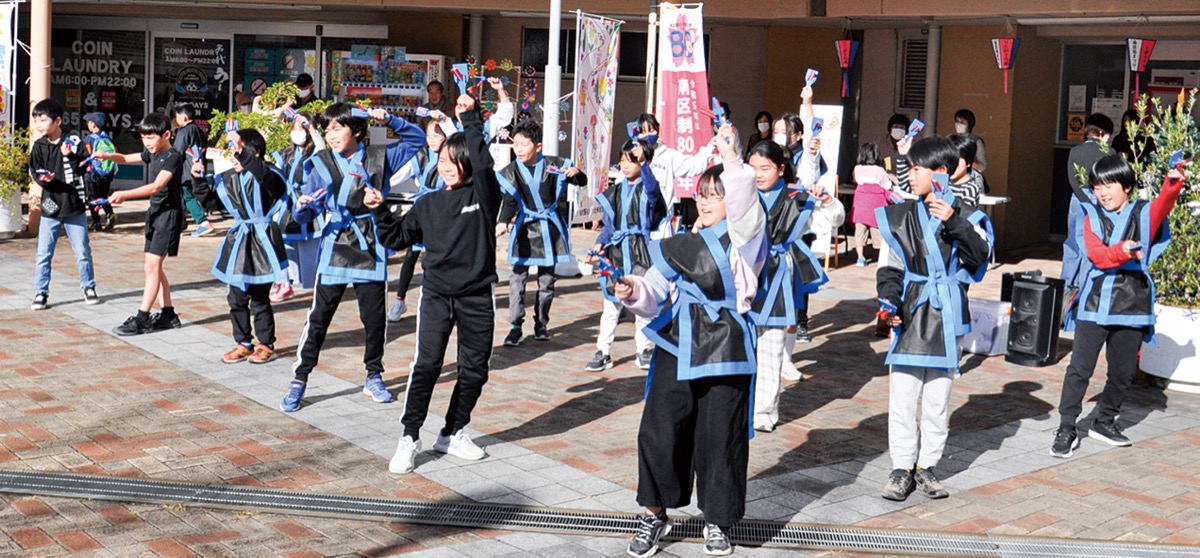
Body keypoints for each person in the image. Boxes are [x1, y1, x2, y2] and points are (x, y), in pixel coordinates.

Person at [613, 124, 765, 558]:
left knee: (720, 437)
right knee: (659, 431)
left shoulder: (748, 239)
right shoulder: (680, 241)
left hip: (727, 349)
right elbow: (654, 291)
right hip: (676, 343)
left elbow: (743, 198)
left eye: (716, 194)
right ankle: (653, 513)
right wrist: (631, 291)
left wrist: (732, 157)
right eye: (702, 193)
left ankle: (716, 522)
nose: (706, 199)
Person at [369, 94, 502, 473]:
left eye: (452, 162)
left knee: (475, 370)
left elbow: (483, 161)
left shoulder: (483, 195)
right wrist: (379, 209)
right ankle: (409, 437)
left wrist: (470, 118)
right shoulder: (427, 204)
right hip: (437, 295)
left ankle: (453, 431)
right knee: (426, 365)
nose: (445, 168)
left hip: (477, 295)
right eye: (441, 161)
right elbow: (396, 239)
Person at [278, 103, 426, 413]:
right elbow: (309, 210)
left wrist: (392, 120)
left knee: (374, 320)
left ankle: (373, 374)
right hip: (335, 242)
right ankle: (300, 378)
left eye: (338, 128)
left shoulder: (379, 156)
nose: (331, 135)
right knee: (319, 318)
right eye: (328, 128)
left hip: (370, 242)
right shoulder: (319, 162)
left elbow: (416, 140)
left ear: (356, 130)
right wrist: (304, 207)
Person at [875, 136, 992, 502]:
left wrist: (954, 221)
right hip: (911, 309)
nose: (910, 175)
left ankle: (927, 466)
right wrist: (888, 305)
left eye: (916, 168)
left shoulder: (970, 215)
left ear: (940, 173)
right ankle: (901, 467)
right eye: (908, 168)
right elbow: (891, 268)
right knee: (904, 394)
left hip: (948, 311)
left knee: (938, 398)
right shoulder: (900, 216)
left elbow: (980, 259)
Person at [1051, 155, 1184, 458]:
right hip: (1095, 301)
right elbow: (1098, 256)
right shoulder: (1090, 216)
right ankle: (1067, 426)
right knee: (1079, 370)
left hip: (1133, 302)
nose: (1103, 192)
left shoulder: (1144, 213)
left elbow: (1165, 202)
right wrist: (1122, 251)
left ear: (1127, 186)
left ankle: (1104, 421)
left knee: (1123, 373)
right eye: (1097, 186)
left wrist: (1173, 180)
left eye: (1109, 185)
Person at [745, 140, 829, 433]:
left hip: (777, 276)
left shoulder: (797, 196)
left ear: (781, 169)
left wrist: (827, 201)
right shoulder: (741, 194)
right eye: (752, 167)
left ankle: (765, 411)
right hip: (743, 275)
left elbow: (833, 216)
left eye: (765, 168)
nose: (758, 174)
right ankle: (740, 405)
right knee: (743, 347)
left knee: (771, 347)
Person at [198, 129, 289, 365]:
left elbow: (264, 176)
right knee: (236, 296)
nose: (232, 158)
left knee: (259, 297)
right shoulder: (229, 177)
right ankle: (243, 343)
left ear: (254, 154)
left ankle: (266, 344)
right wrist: (198, 179)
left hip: (262, 239)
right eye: (232, 153)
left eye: (237, 153)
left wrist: (243, 152)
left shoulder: (271, 175)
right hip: (240, 239)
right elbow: (211, 202)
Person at [495, 119, 587, 346]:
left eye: (524, 145)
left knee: (546, 281)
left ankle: (541, 323)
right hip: (525, 228)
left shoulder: (554, 165)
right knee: (517, 279)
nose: (518, 149)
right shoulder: (511, 171)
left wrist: (576, 173)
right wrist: (502, 222)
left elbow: (580, 181)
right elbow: (509, 201)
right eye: (515, 144)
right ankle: (515, 325)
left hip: (549, 229)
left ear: (537, 146)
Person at [94, 112, 187, 335]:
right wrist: (107, 156)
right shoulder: (152, 153)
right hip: (155, 213)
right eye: (144, 138)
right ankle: (168, 314)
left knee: (152, 267)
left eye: (151, 138)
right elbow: (126, 158)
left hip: (169, 216)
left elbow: (156, 186)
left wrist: (124, 195)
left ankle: (142, 318)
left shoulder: (173, 157)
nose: (147, 143)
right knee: (153, 267)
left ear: (166, 135)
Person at [585, 139, 666, 372]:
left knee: (641, 305)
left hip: (640, 251)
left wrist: (644, 162)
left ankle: (644, 350)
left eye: (631, 161)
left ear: (643, 162)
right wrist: (600, 243)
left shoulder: (648, 187)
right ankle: (603, 351)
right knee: (611, 306)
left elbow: (653, 191)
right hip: (618, 252)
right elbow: (610, 226)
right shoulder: (616, 191)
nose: (625, 165)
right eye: (622, 160)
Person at [29, 99, 99, 310]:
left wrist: (72, 157)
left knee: (82, 251)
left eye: (43, 120)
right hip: (50, 205)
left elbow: (86, 167)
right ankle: (41, 293)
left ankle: (89, 287)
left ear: (57, 121)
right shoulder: (40, 146)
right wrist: (44, 179)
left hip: (73, 204)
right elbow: (35, 170)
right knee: (44, 252)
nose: (39, 125)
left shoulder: (73, 140)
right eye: (36, 121)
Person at [387, 112, 449, 322]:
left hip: (443, 211)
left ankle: (438, 299)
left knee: (438, 256)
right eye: (429, 136)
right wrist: (381, 185)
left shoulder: (452, 155)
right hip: (422, 209)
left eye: (437, 137)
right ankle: (399, 300)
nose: (432, 141)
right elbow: (398, 176)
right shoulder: (421, 155)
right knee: (411, 255)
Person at [270, 113, 326, 303]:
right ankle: (284, 284)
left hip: (309, 203)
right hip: (287, 205)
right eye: (295, 127)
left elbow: (322, 148)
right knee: (283, 246)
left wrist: (311, 128)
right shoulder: (285, 153)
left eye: (301, 128)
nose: (297, 132)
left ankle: (319, 285)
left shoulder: (315, 152)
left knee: (309, 251)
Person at [634, 113, 715, 236]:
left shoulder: (668, 155)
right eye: (643, 131)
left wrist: (710, 147)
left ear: (658, 129)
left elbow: (694, 165)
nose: (647, 135)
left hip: (660, 227)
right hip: (636, 224)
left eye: (651, 130)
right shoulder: (632, 155)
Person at [1061, 113, 1114, 294]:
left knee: (1072, 243)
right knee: (1092, 243)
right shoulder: (1109, 153)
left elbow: (1072, 179)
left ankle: (1067, 285)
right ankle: (1085, 287)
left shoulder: (1075, 151)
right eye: (1108, 134)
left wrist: (1083, 198)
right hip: (1100, 198)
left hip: (1077, 199)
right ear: (1101, 133)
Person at [171, 104, 215, 237]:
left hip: (186, 170)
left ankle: (203, 222)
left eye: (177, 116)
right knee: (184, 196)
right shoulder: (197, 129)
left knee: (186, 196)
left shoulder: (184, 131)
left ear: (184, 117)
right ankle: (180, 223)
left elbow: (177, 152)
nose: (176, 119)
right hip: (197, 168)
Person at [851, 142, 892, 267]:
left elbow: (855, 180)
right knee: (878, 232)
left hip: (861, 206)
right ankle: (881, 258)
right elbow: (887, 186)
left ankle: (860, 257)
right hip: (876, 207)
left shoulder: (857, 169)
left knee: (859, 232)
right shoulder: (880, 170)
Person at [81, 112, 118, 232]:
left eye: (88, 122)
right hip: (106, 174)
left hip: (93, 174)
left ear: (93, 125)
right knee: (103, 196)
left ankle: (96, 222)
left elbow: (87, 154)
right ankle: (109, 214)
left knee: (92, 197)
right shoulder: (107, 137)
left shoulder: (90, 138)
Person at [946, 133, 984, 206]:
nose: (951, 165)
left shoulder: (969, 189)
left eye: (957, 162)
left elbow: (964, 215)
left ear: (968, 163)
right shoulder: (941, 183)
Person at [952, 109, 987, 173]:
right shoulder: (951, 140)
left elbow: (982, 166)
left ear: (969, 124)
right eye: (957, 121)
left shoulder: (976, 141)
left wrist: (966, 163)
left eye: (962, 122)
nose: (959, 124)